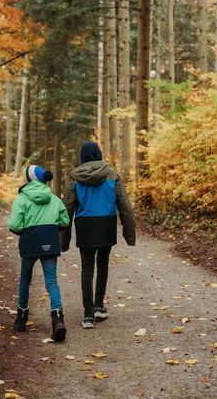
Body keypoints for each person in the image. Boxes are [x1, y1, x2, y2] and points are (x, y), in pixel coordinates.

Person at [61, 141, 135, 329]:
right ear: (99, 154)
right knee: (103, 263)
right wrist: (129, 232)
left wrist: (63, 239)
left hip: (85, 225)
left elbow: (67, 208)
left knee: (87, 268)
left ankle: (88, 315)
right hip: (106, 224)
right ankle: (99, 306)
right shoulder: (112, 174)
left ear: (82, 156)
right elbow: (124, 205)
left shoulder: (75, 177)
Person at [8, 164, 70, 341]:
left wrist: (25, 230)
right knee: (51, 281)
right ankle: (58, 319)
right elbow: (64, 220)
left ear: (28, 179)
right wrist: (51, 229)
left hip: (29, 243)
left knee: (25, 279)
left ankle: (21, 318)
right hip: (50, 242)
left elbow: (14, 225)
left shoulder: (21, 199)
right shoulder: (54, 199)